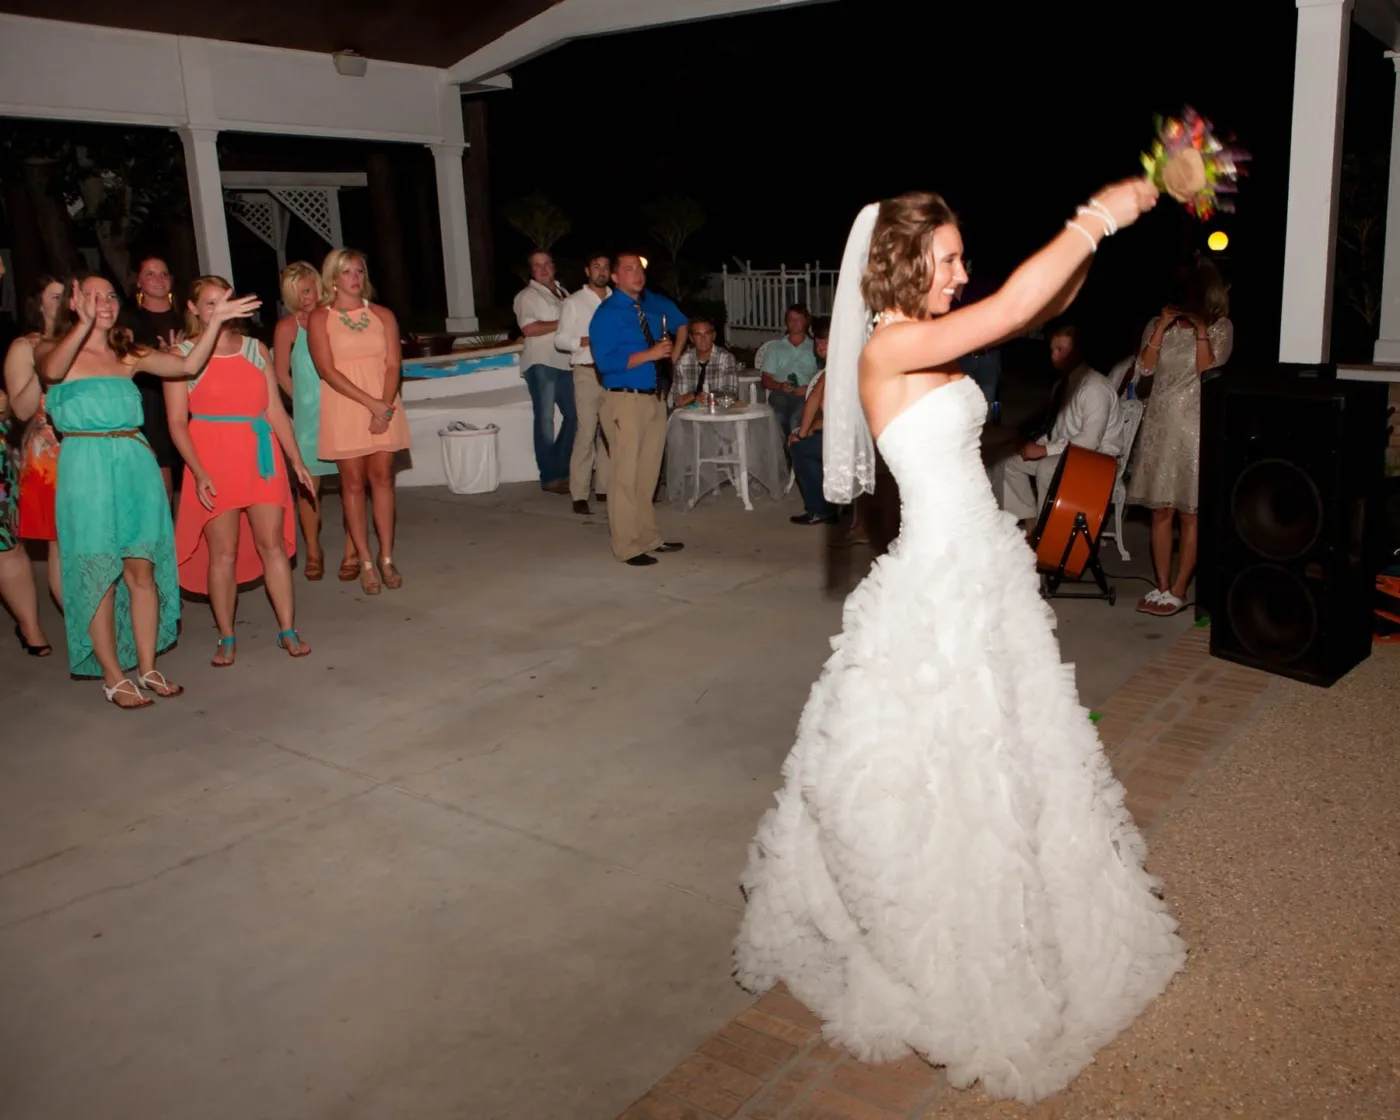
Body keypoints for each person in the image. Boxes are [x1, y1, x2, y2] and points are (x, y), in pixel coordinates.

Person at [734, 181, 1185, 1106]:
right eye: (948, 259)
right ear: (903, 265)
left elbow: (1042, 303)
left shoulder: (926, 338)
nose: (963, 271)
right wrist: (1107, 210)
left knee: (1010, 752)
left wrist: (1086, 255)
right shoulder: (892, 346)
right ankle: (946, 930)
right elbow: (1018, 303)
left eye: (963, 258)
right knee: (945, 765)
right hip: (940, 582)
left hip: (983, 570)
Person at [38, 274, 260, 708]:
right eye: (92, 295)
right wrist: (84, 325)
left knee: (141, 571)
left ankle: (147, 666)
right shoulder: (51, 349)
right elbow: (52, 371)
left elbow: (186, 366)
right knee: (98, 574)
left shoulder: (128, 352)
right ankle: (114, 676)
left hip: (135, 462)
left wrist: (214, 322)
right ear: (75, 302)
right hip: (86, 466)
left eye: (109, 296)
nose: (104, 302)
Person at [167, 276, 314, 665]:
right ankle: (227, 635)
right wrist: (198, 472)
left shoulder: (254, 349)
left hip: (260, 456)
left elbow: (275, 411)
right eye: (211, 303)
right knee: (224, 551)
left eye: (225, 301)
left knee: (273, 546)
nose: (220, 309)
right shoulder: (182, 355)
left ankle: (288, 629)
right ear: (194, 308)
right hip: (212, 458)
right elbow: (178, 424)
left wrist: (297, 460)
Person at [1127, 260, 1234, 617]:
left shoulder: (1221, 328)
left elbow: (1210, 374)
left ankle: (1180, 588)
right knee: (1161, 511)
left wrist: (1201, 330)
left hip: (1194, 432)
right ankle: (1161, 585)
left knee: (1190, 513)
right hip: (1159, 427)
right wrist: (1160, 328)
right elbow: (1143, 370)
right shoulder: (1159, 327)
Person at [307, 248, 411, 596]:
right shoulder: (321, 318)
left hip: (384, 402)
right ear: (333, 278)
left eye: (360, 271)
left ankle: (386, 556)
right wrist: (371, 405)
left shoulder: (383, 314)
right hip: (346, 405)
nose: (355, 278)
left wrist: (383, 406)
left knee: (382, 480)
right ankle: (364, 560)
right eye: (348, 272)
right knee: (351, 484)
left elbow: (394, 364)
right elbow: (326, 369)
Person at [588, 252, 687, 566]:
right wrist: (651, 354)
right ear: (615, 278)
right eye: (628, 269)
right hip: (624, 401)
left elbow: (681, 324)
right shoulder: (607, 314)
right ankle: (627, 545)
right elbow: (605, 363)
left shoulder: (646, 307)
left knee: (647, 476)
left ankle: (648, 537)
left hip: (653, 398)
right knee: (625, 477)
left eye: (640, 268)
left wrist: (667, 357)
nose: (637, 274)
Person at [991, 322, 1125, 527]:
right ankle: (1030, 523)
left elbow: (1090, 441)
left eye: (1061, 349)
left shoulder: (1095, 388)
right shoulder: (1063, 384)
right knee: (1008, 461)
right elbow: (1055, 429)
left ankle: (1049, 530)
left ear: (1078, 350)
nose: (1054, 355)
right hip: (1070, 451)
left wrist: (1045, 450)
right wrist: (1034, 445)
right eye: (1052, 349)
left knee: (1047, 466)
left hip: (1098, 460)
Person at [272, 261, 355, 580]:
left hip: (343, 412)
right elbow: (280, 372)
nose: (304, 298)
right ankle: (314, 550)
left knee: (352, 485)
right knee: (308, 489)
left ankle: (353, 551)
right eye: (296, 293)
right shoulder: (287, 327)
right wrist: (301, 404)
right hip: (308, 421)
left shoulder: (336, 317)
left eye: (308, 290)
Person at [3, 273, 64, 651]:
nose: (63, 302)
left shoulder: (93, 343)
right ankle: (82, 625)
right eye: (54, 296)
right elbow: (22, 409)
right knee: (62, 544)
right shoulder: (25, 347)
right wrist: (46, 368)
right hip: (49, 459)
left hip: (94, 451)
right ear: (38, 305)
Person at [117, 256, 184, 499]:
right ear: (139, 283)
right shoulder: (127, 320)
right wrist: (160, 359)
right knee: (159, 478)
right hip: (150, 403)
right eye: (150, 274)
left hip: (187, 401)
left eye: (164, 274)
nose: (159, 279)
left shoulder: (187, 319)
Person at [513, 250, 577, 494]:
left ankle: (561, 469)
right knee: (545, 420)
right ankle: (550, 476)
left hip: (566, 363)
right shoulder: (527, 296)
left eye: (546, 264)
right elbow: (529, 328)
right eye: (536, 266)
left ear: (554, 266)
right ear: (531, 271)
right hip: (541, 363)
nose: (542, 269)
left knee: (576, 416)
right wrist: (565, 323)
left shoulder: (564, 294)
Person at [555, 253, 611, 515]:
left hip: (613, 373)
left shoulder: (617, 299)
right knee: (587, 432)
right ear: (587, 270)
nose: (601, 271)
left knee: (611, 432)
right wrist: (588, 340)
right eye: (596, 267)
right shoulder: (574, 302)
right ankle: (579, 493)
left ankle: (604, 488)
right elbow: (561, 340)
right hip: (586, 371)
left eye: (605, 267)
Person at [788, 316, 836, 525]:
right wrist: (803, 430)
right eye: (818, 341)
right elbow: (816, 401)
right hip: (834, 430)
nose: (821, 346)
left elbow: (841, 416)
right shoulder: (831, 368)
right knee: (800, 441)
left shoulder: (846, 366)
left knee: (800, 449)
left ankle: (819, 509)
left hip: (852, 436)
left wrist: (804, 433)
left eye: (826, 341)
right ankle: (828, 505)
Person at [760, 303, 818, 438]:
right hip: (781, 393)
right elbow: (766, 378)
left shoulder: (816, 347)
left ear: (806, 322)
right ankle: (781, 456)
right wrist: (780, 386)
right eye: (791, 319)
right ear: (786, 322)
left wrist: (809, 388)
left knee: (796, 419)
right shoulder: (775, 348)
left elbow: (825, 376)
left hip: (807, 395)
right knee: (778, 417)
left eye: (799, 319)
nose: (795, 322)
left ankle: (795, 455)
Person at [671, 316, 739, 407]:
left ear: (713, 336)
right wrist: (695, 397)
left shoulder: (726, 358)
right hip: (691, 415)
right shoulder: (683, 362)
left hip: (719, 414)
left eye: (707, 334)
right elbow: (677, 400)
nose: (703, 339)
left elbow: (731, 394)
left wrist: (708, 398)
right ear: (691, 338)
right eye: (698, 335)